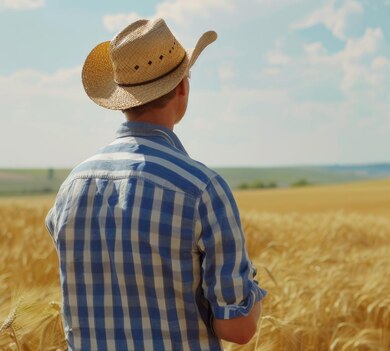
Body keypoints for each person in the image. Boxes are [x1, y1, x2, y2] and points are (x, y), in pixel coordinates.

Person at [45, 18, 266, 350]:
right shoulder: (203, 189)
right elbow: (238, 329)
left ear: (123, 99)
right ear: (182, 88)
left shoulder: (71, 187)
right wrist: (250, 287)